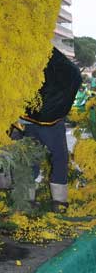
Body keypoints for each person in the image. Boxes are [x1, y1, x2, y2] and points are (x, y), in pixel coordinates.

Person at [21, 47, 82, 211]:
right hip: (51, 122)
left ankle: (26, 200)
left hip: (28, 119)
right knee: (59, 157)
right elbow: (74, 75)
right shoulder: (54, 60)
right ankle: (59, 202)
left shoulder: (26, 57)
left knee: (30, 158)